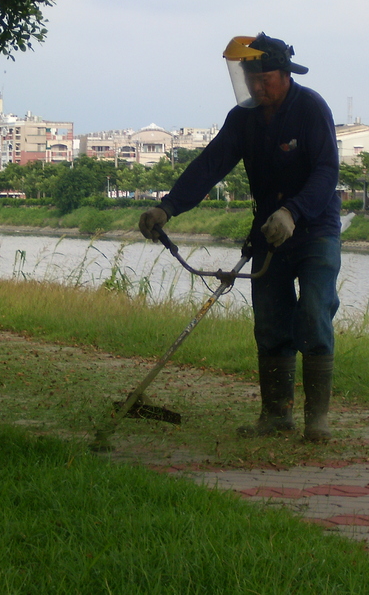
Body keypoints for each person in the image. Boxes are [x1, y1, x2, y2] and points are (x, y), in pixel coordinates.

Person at [138, 32, 342, 442]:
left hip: (314, 229)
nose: (254, 86)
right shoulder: (243, 119)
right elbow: (209, 165)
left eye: (262, 78)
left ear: (284, 73)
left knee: (313, 313)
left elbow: (326, 172)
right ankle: (276, 416)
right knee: (270, 323)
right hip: (268, 234)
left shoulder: (311, 108)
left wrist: (293, 211)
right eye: (248, 79)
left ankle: (316, 419)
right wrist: (168, 207)